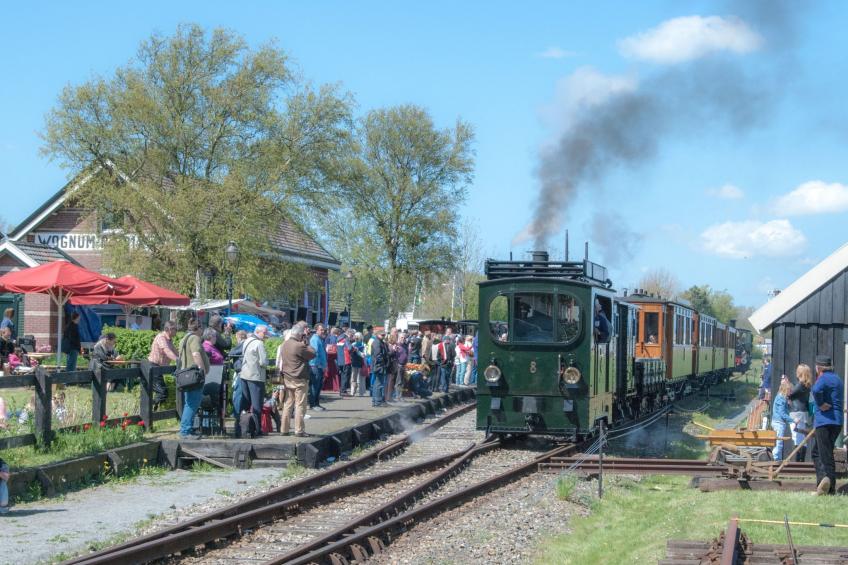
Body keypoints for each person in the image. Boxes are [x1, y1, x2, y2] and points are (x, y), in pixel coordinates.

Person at [810, 355, 843, 495]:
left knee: (824, 454)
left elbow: (816, 390)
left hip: (824, 422)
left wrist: (820, 404)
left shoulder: (823, 378)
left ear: (818, 368)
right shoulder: (837, 379)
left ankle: (828, 487)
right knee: (818, 452)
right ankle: (824, 485)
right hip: (837, 422)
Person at [280, 324, 316, 437]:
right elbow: (313, 353)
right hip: (299, 378)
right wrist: (307, 342)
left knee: (287, 404)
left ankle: (284, 429)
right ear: (300, 334)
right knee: (300, 405)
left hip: (287, 378)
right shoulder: (298, 345)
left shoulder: (284, 344)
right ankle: (299, 430)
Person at [177, 320, 209, 440]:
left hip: (186, 376)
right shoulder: (194, 338)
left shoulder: (184, 338)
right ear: (199, 328)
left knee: (189, 402)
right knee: (192, 403)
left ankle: (187, 428)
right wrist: (202, 370)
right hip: (194, 376)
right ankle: (185, 430)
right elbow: (196, 354)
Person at [240, 325, 269, 436]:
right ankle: (257, 429)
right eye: (265, 333)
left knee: (245, 402)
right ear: (258, 332)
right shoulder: (259, 343)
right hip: (256, 376)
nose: (266, 335)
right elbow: (263, 362)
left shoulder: (247, 341)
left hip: (244, 375)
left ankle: (242, 427)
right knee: (257, 404)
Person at [148, 321, 179, 409]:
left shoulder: (169, 339)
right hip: (153, 366)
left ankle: (153, 409)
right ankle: (151, 408)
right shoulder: (161, 337)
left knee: (162, 391)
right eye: (175, 329)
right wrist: (178, 360)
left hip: (158, 368)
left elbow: (175, 351)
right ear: (169, 329)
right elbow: (167, 351)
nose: (177, 331)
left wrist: (183, 358)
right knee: (162, 392)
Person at [788, 363, 813, 462]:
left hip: (796, 413)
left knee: (796, 438)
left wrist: (787, 385)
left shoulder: (799, 385)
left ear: (799, 373)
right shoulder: (807, 385)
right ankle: (801, 461)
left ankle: (798, 462)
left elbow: (789, 395)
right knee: (803, 438)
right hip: (803, 414)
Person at [228, 330, 249, 437]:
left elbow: (231, 352)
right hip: (242, 372)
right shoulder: (246, 344)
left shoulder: (243, 344)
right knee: (240, 393)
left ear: (239, 337)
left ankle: (237, 415)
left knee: (238, 394)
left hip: (241, 373)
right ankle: (239, 414)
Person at [771, 376, 793, 461]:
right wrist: (792, 420)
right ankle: (776, 459)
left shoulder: (782, 397)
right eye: (789, 391)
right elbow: (782, 413)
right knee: (779, 442)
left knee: (778, 442)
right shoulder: (781, 398)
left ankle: (777, 459)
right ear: (786, 390)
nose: (790, 393)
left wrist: (788, 404)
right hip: (779, 422)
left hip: (778, 422)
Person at [308, 324, 327, 411]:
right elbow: (314, 353)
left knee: (319, 386)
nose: (323, 331)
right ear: (316, 330)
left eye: (323, 330)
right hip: (315, 365)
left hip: (320, 366)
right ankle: (313, 404)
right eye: (321, 330)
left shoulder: (319, 339)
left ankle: (317, 403)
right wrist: (320, 365)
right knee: (315, 386)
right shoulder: (315, 339)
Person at [370, 329, 389, 407]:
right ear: (378, 335)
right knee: (378, 384)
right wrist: (383, 363)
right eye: (382, 335)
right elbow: (378, 355)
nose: (384, 336)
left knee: (377, 383)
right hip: (378, 365)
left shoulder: (380, 342)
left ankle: (376, 401)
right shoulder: (377, 343)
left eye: (384, 335)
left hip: (378, 365)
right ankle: (377, 401)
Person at [392, 333, 408, 401]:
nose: (403, 339)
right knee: (398, 381)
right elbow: (394, 355)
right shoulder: (396, 345)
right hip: (398, 365)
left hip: (404, 365)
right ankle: (397, 396)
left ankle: (400, 396)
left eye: (404, 338)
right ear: (399, 338)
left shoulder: (405, 345)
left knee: (402, 381)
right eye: (401, 337)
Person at [337, 329, 351, 397]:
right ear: (349, 333)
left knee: (342, 375)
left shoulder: (339, 339)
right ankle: (343, 391)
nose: (352, 336)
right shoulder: (346, 339)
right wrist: (354, 348)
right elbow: (349, 348)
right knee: (346, 376)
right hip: (346, 359)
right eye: (351, 335)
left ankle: (342, 390)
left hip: (340, 359)